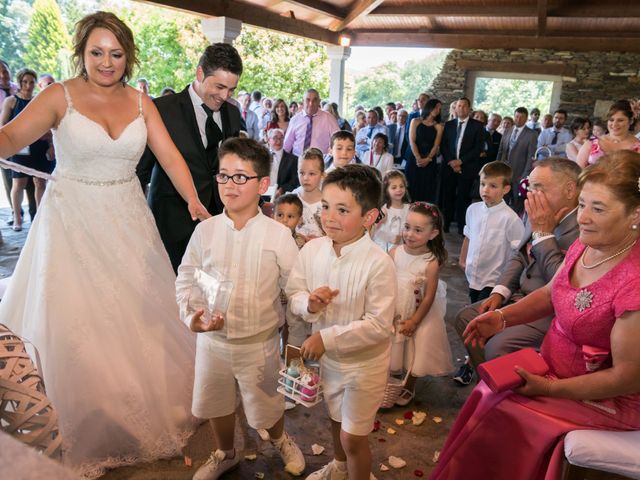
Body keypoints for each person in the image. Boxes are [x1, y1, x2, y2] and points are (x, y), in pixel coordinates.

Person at [0, 11, 210, 477]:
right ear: (82, 52)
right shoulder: (60, 96)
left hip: (127, 220)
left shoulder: (141, 103)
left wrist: (194, 201)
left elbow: (170, 157)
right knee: (78, 322)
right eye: (97, 52)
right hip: (70, 222)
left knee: (135, 316)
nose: (106, 62)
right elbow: (13, 136)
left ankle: (137, 409)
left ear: (128, 56)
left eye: (116, 54)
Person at [432, 150, 640, 480]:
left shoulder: (635, 282)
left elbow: (627, 377)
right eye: (583, 204)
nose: (582, 217)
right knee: (488, 394)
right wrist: (501, 318)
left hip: (602, 395)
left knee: (504, 412)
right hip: (554, 369)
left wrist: (548, 389)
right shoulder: (588, 244)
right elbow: (552, 293)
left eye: (597, 208)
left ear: (636, 214)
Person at [176, 138, 305, 480]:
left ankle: (279, 439)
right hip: (213, 342)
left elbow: (295, 286)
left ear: (263, 184)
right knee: (215, 402)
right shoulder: (204, 231)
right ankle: (226, 452)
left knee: (267, 403)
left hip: (258, 342)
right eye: (223, 175)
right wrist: (192, 315)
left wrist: (309, 302)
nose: (229, 185)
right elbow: (186, 278)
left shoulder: (278, 235)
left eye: (240, 177)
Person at [286, 164, 396, 480]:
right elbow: (294, 290)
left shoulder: (378, 263)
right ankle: (339, 466)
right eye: (325, 206)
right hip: (330, 363)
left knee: (353, 436)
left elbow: (378, 325)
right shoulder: (313, 250)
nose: (329, 217)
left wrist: (327, 338)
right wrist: (308, 303)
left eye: (342, 210)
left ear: (369, 217)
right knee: (336, 418)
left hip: (365, 366)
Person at [453, 157, 580, 384]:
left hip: (549, 310)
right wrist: (499, 292)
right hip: (517, 296)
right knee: (465, 319)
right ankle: (494, 384)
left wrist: (542, 234)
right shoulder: (537, 212)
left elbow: (564, 284)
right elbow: (519, 256)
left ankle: (505, 395)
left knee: (496, 346)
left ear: (570, 190)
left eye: (538, 188)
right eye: (529, 187)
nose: (530, 194)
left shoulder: (583, 225)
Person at [137, 42, 243, 271]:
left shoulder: (233, 115)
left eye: (231, 89)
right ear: (200, 73)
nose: (225, 96)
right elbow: (140, 172)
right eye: (220, 86)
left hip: (216, 226)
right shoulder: (163, 110)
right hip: (170, 225)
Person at [389, 202, 453, 406]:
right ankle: (386, 382)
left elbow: (429, 297)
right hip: (394, 309)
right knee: (390, 347)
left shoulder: (430, 262)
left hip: (419, 312)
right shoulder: (394, 252)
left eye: (418, 230)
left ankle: (409, 385)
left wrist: (415, 321)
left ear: (433, 234)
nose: (409, 234)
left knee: (416, 349)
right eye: (407, 227)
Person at [458, 162, 525, 303]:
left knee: (482, 315)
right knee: (472, 305)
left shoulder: (510, 219)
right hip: (473, 275)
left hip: (494, 280)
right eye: (483, 184)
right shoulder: (472, 210)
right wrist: (463, 260)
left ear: (505, 189)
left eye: (493, 186)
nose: (485, 190)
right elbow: (468, 237)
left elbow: (518, 253)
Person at [0, 67, 49, 230]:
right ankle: (18, 218)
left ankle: (39, 217)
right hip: (20, 147)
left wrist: (49, 143)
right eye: (25, 82)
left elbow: (46, 125)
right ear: (19, 82)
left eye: (31, 82)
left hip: (38, 147)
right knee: (18, 183)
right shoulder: (11, 101)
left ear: (36, 83)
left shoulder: (39, 100)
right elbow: (3, 125)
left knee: (40, 182)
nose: (28, 85)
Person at [440, 97, 486, 234]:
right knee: (448, 196)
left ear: (469, 109)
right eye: (459, 106)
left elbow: (478, 148)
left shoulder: (477, 126)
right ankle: (446, 223)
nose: (461, 108)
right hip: (449, 167)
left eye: (464, 106)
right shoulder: (448, 125)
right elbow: (444, 146)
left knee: (463, 197)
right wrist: (452, 162)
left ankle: (462, 226)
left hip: (467, 167)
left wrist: (461, 161)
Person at [273, 193, 308, 347]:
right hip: (274, 295)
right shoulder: (269, 239)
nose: (284, 220)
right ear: (273, 215)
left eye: (290, 216)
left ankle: (287, 355)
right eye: (280, 215)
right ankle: (272, 352)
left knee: (291, 326)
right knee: (275, 326)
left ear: (299, 220)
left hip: (292, 295)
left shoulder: (302, 242)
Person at [496, 107, 538, 214]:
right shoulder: (508, 130)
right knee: (501, 199)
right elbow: (501, 151)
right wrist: (497, 168)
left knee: (516, 202)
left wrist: (525, 175)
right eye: (517, 116)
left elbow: (530, 156)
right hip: (504, 172)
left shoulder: (531, 134)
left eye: (521, 117)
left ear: (526, 118)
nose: (518, 119)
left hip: (519, 173)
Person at [577, 100, 640, 168]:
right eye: (611, 120)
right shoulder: (591, 143)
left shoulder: (638, 146)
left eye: (620, 120)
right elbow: (577, 171)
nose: (614, 124)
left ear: (631, 121)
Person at [407, 98, 443, 203]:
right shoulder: (415, 121)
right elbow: (412, 141)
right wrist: (418, 158)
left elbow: (436, 145)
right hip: (414, 159)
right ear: (429, 107)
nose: (438, 110)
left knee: (427, 191)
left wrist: (428, 159)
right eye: (436, 107)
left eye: (440, 109)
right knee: (411, 190)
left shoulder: (439, 127)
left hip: (430, 162)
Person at [283, 88, 339, 157]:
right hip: (298, 161)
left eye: (315, 100)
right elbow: (287, 145)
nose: (311, 103)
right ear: (303, 101)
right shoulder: (295, 120)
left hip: (321, 162)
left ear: (319, 102)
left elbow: (338, 140)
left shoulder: (328, 118)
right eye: (308, 100)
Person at [372, 170, 411, 252]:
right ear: (386, 190)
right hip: (386, 248)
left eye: (401, 186)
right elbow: (373, 229)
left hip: (402, 247)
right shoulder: (384, 210)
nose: (399, 189)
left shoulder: (409, 208)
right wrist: (389, 238)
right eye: (394, 187)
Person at [291, 147, 325, 240]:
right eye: (302, 173)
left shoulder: (328, 204)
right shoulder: (291, 200)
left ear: (322, 175)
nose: (305, 178)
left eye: (312, 174)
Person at [267, 128, 299, 197]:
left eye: (281, 138)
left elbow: (294, 180)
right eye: (275, 138)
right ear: (269, 140)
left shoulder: (293, 160)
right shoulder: (260, 156)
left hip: (281, 196)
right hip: (261, 195)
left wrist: (282, 189)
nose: (278, 141)